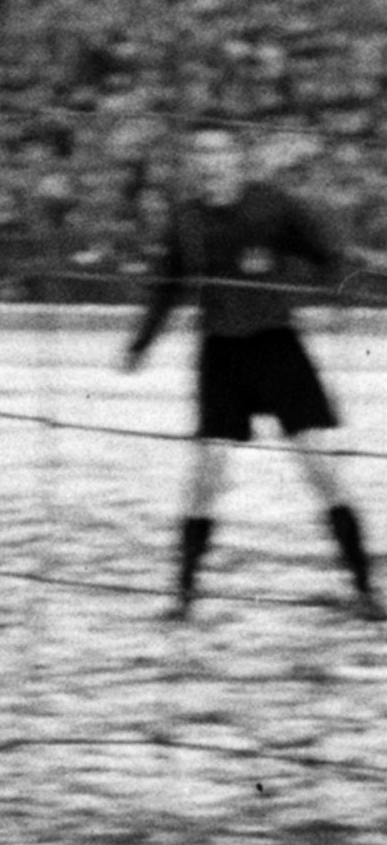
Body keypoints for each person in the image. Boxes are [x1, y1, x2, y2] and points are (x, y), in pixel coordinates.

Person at [122, 125, 383, 623]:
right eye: (201, 153)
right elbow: (166, 288)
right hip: (220, 355)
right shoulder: (186, 220)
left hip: (276, 348)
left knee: (320, 468)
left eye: (219, 152)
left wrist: (344, 283)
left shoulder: (274, 205)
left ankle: (365, 591)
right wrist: (140, 344)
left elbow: (327, 253)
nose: (210, 162)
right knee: (204, 476)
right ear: (194, 164)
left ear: (237, 159)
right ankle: (182, 596)